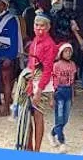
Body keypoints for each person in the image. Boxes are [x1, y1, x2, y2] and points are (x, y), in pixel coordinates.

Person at [20, 12, 58, 151]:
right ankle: (29, 145)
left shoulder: (49, 44)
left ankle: (37, 149)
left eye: (42, 26)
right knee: (26, 114)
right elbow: (31, 62)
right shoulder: (34, 41)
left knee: (38, 115)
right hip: (32, 78)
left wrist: (39, 90)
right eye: (36, 25)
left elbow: (47, 69)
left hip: (42, 81)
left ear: (48, 27)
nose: (39, 28)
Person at [51, 42, 78, 148]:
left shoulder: (72, 65)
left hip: (68, 91)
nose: (68, 54)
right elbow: (54, 81)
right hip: (59, 92)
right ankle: (62, 141)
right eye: (66, 51)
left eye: (70, 52)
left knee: (65, 118)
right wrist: (52, 97)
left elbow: (73, 81)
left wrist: (72, 95)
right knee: (60, 117)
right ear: (61, 52)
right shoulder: (56, 65)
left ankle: (53, 133)